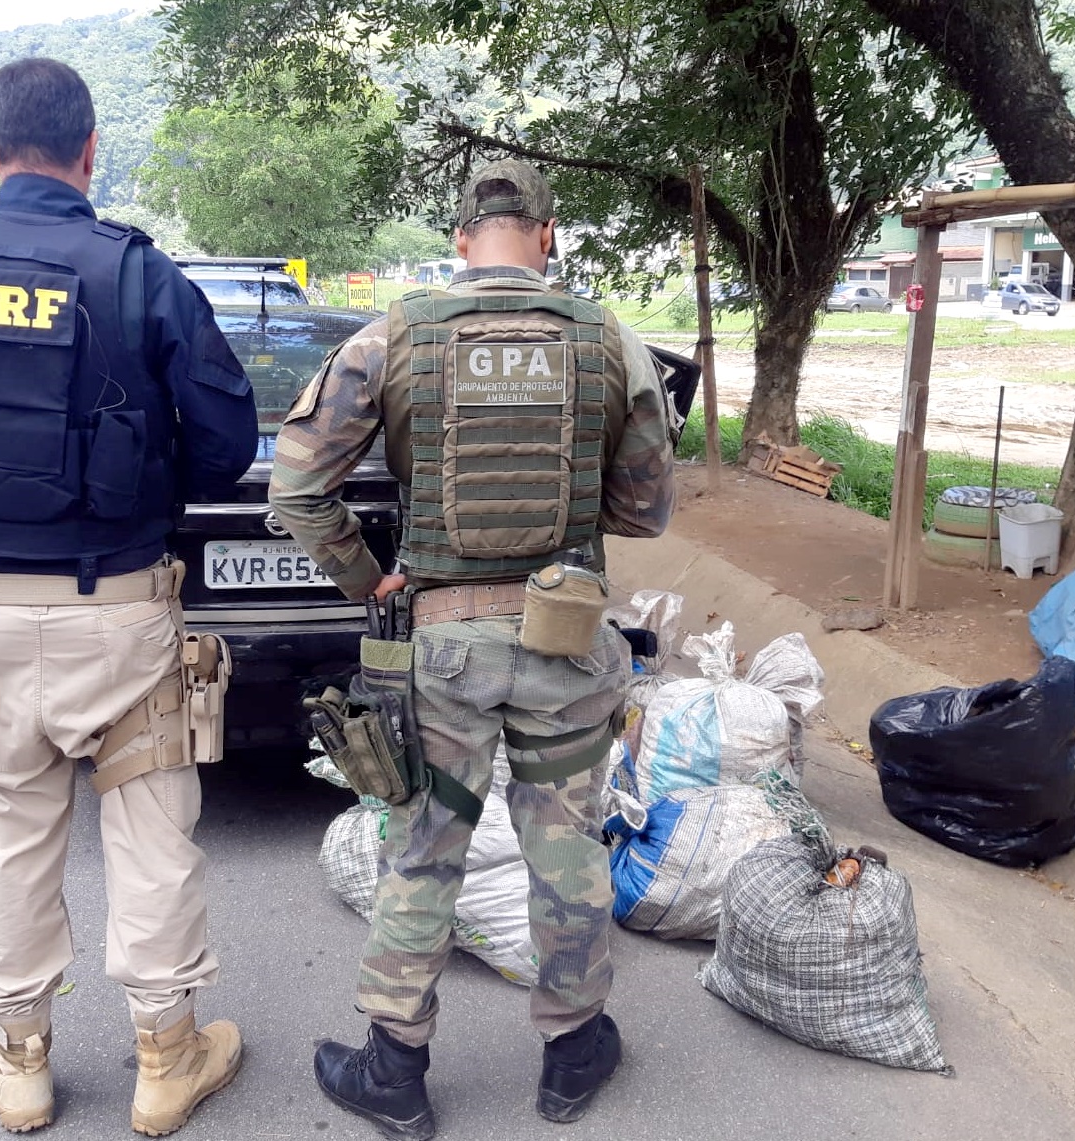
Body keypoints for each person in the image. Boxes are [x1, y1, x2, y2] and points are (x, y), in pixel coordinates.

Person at [0, 58, 257, 1136]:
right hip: (124, 611)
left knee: (5, 836)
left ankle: (18, 1059)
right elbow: (226, 450)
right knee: (152, 833)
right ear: (91, 153)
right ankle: (167, 1056)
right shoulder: (140, 275)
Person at [269, 159, 677, 1139]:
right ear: (545, 234)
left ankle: (395, 1068)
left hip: (440, 646)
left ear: (461, 238)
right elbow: (647, 508)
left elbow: (295, 491)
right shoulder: (608, 339)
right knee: (565, 844)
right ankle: (574, 1052)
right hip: (565, 639)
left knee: (423, 845)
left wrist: (367, 578)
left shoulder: (393, 336)